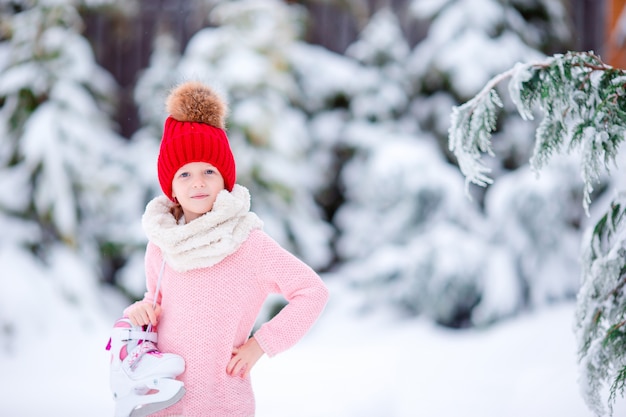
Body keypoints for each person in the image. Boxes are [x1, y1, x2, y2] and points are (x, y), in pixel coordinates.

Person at [120, 81, 330, 417]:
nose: (198, 182)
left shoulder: (247, 242)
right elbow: (157, 302)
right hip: (163, 402)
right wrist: (142, 311)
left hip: (223, 403)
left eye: (208, 171)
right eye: (184, 173)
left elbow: (312, 291)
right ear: (171, 187)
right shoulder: (162, 245)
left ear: (225, 179)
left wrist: (260, 344)